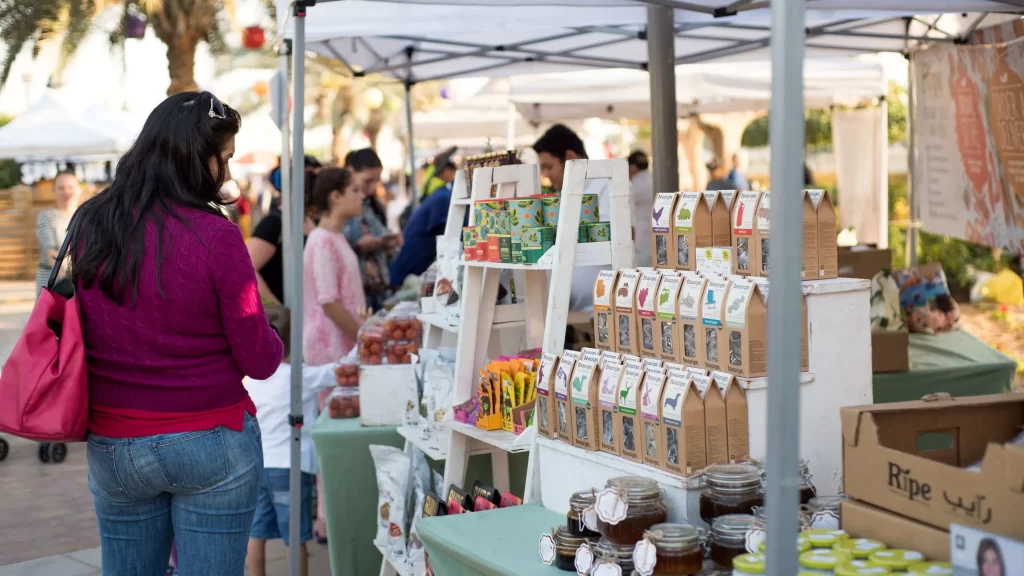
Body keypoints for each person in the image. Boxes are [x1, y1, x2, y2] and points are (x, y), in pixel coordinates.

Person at [68, 91, 283, 575]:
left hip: (115, 442)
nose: (225, 173)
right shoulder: (217, 235)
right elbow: (259, 359)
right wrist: (273, 334)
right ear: (193, 156)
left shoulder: (91, 224)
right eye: (222, 159)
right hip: (211, 438)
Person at [245, 307, 335, 576]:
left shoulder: (251, 378)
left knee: (255, 532)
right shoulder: (299, 375)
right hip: (290, 466)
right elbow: (336, 371)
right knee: (295, 534)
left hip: (258, 465)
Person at [533, 124, 609, 313]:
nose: (546, 175)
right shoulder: (562, 193)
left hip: (597, 309)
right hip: (565, 309)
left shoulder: (607, 187)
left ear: (570, 157)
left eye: (549, 167)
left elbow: (620, 236)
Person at [248, 156, 322, 305]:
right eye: (315, 182)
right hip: (285, 318)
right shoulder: (274, 223)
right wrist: (278, 308)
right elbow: (247, 268)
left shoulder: (312, 221)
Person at [343, 149, 398, 311]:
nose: (372, 187)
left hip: (377, 295)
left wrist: (388, 243)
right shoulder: (340, 209)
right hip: (353, 299)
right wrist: (358, 247)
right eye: (367, 181)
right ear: (351, 172)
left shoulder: (375, 206)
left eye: (376, 181)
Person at [35, 171, 82, 296]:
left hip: (80, 281)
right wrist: (64, 278)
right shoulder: (46, 216)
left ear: (79, 190)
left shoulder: (86, 216)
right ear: (54, 191)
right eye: (61, 188)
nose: (66, 192)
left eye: (70, 187)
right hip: (53, 280)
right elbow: (50, 251)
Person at [627, 151, 654, 268]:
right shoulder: (656, 179)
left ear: (632, 168)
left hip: (641, 242)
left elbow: (629, 217)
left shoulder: (634, 187)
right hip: (661, 240)